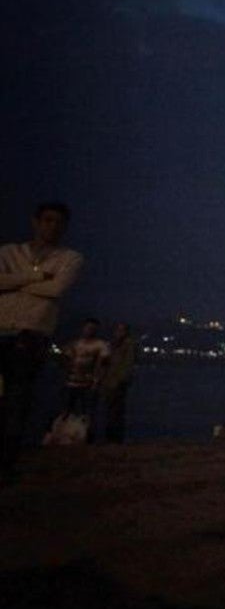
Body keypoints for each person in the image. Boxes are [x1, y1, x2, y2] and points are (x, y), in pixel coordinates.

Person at [1, 202, 83, 477]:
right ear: (36, 222)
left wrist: (15, 281)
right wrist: (36, 277)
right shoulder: (9, 252)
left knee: (17, 398)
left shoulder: (70, 258)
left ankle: (7, 463)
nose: (52, 226)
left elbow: (57, 289)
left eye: (59, 222)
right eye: (47, 220)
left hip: (31, 335)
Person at [60, 317, 110, 441]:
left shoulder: (100, 345)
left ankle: (87, 437)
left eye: (92, 329)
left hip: (88, 383)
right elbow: (66, 359)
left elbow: (102, 364)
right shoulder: (75, 344)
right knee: (67, 409)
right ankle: (62, 434)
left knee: (87, 412)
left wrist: (97, 380)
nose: (89, 331)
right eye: (88, 328)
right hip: (72, 381)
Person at [100, 322, 137, 443]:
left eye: (122, 330)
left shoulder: (128, 345)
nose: (119, 333)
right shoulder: (112, 345)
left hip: (118, 383)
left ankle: (114, 437)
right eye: (118, 330)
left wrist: (122, 379)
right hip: (110, 382)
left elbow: (128, 364)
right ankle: (110, 436)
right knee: (111, 409)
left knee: (116, 410)